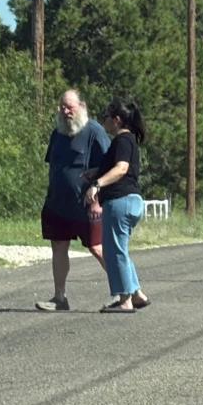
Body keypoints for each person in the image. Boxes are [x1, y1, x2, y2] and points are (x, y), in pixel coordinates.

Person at [35, 89, 110, 311]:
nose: (66, 111)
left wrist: (97, 199)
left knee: (97, 248)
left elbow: (108, 167)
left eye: (70, 107)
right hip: (58, 204)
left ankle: (126, 292)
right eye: (62, 107)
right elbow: (54, 165)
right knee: (58, 246)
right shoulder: (57, 133)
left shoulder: (95, 132)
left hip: (87, 205)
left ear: (82, 107)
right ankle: (60, 297)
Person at [83, 97, 150, 313]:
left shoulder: (122, 140)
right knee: (120, 249)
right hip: (132, 201)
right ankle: (137, 294)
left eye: (106, 117)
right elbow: (122, 169)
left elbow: (121, 169)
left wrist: (97, 183)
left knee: (113, 252)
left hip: (120, 202)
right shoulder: (129, 141)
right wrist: (95, 173)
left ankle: (125, 301)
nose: (104, 121)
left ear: (117, 120)